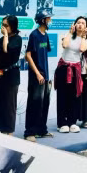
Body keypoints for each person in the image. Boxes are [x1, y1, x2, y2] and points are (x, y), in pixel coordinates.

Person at [55, 16, 87, 133]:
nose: (80, 25)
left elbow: (82, 49)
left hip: (75, 70)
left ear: (86, 27)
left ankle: (72, 122)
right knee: (62, 96)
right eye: (78, 22)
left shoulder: (85, 40)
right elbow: (64, 45)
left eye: (83, 23)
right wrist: (70, 33)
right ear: (74, 25)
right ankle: (62, 123)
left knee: (74, 97)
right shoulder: (67, 35)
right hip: (63, 68)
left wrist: (84, 36)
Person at [24, 12, 53, 142]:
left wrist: (46, 75)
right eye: (48, 18)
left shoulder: (45, 36)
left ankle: (42, 130)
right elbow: (28, 55)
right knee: (34, 103)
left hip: (45, 75)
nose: (50, 20)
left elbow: (44, 55)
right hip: (37, 76)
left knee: (44, 103)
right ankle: (29, 132)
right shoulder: (34, 35)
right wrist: (37, 73)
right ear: (42, 20)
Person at [0, 16, 22, 135]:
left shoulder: (17, 39)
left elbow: (7, 50)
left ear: (12, 26)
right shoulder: (0, 40)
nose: (3, 27)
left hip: (11, 76)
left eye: (6, 25)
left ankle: (9, 132)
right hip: (0, 76)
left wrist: (5, 36)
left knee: (9, 105)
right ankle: (1, 130)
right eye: (2, 25)